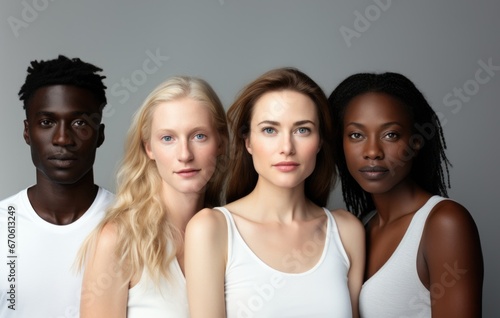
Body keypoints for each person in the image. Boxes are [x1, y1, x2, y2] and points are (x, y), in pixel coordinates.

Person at [186, 67, 365, 318]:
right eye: (270, 130)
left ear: (320, 141)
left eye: (302, 130)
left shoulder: (347, 231)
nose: (286, 148)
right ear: (248, 141)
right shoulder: (211, 229)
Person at [328, 72, 484, 317]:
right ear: (341, 144)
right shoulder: (361, 227)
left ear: (416, 141)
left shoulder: (445, 223)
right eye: (356, 135)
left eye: (390, 135)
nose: (372, 152)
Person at [77, 76, 229, 317]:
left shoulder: (231, 233)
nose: (185, 154)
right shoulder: (119, 241)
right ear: (149, 148)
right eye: (168, 138)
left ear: (220, 141)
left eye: (198, 136)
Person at [0, 55, 114, 317]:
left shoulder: (134, 223)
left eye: (79, 123)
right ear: (27, 132)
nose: (63, 139)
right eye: (47, 123)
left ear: (100, 134)